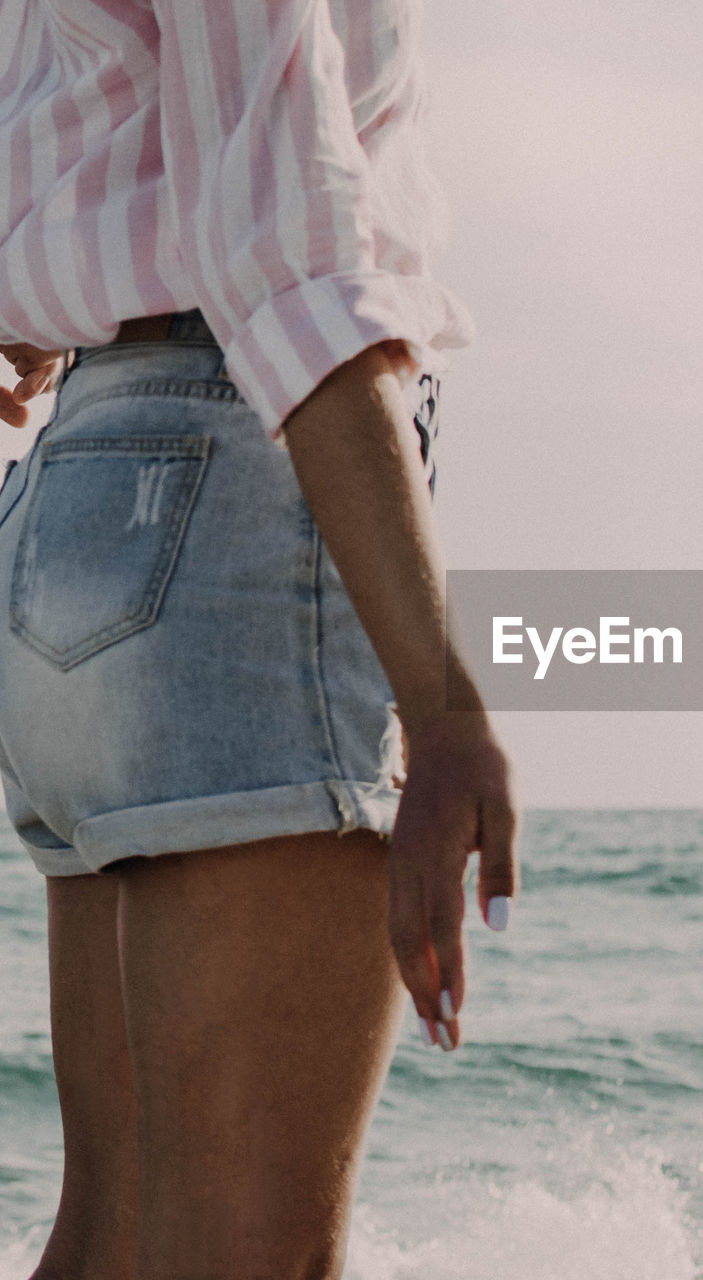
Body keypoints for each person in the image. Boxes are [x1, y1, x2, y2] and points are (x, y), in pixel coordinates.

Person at [0, 1, 518, 1276]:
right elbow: (293, 273)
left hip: (76, 497)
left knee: (114, 1232)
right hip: (234, 496)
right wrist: (443, 703)